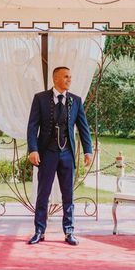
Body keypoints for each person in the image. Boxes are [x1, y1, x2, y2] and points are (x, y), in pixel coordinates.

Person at [26, 66, 93, 246]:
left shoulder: (75, 100)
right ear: (55, 79)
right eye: (66, 77)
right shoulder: (40, 99)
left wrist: (88, 150)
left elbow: (83, 127)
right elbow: (32, 127)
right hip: (47, 153)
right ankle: (39, 231)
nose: (69, 80)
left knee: (68, 195)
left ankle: (69, 231)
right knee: (43, 194)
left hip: (67, 155)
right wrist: (33, 149)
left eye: (70, 77)